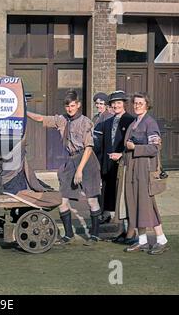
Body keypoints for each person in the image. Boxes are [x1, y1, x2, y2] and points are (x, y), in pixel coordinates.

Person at [27, 90, 102, 246]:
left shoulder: (85, 122)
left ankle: (95, 235)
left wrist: (80, 170)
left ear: (78, 105)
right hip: (71, 159)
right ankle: (68, 235)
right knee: (62, 199)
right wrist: (23, 111)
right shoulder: (61, 120)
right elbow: (41, 118)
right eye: (67, 106)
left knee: (91, 200)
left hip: (87, 161)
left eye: (73, 105)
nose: (70, 109)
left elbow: (89, 147)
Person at [123, 93, 169, 255]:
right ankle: (142, 240)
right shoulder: (134, 122)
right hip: (133, 168)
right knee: (134, 202)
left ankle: (161, 239)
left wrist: (135, 148)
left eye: (140, 103)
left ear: (147, 105)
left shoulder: (150, 123)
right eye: (135, 103)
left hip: (144, 168)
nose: (137, 106)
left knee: (147, 203)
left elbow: (154, 148)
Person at [99, 91, 135, 225]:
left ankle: (123, 222)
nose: (116, 106)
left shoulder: (131, 120)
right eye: (113, 103)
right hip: (108, 161)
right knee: (108, 187)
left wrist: (122, 154)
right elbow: (103, 144)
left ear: (124, 104)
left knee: (121, 190)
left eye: (119, 103)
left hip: (123, 161)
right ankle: (107, 213)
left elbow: (133, 142)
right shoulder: (107, 122)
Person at [92, 92, 113, 164]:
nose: (98, 106)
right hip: (95, 148)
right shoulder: (95, 118)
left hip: (104, 150)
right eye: (97, 103)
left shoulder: (109, 117)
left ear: (106, 105)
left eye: (101, 104)